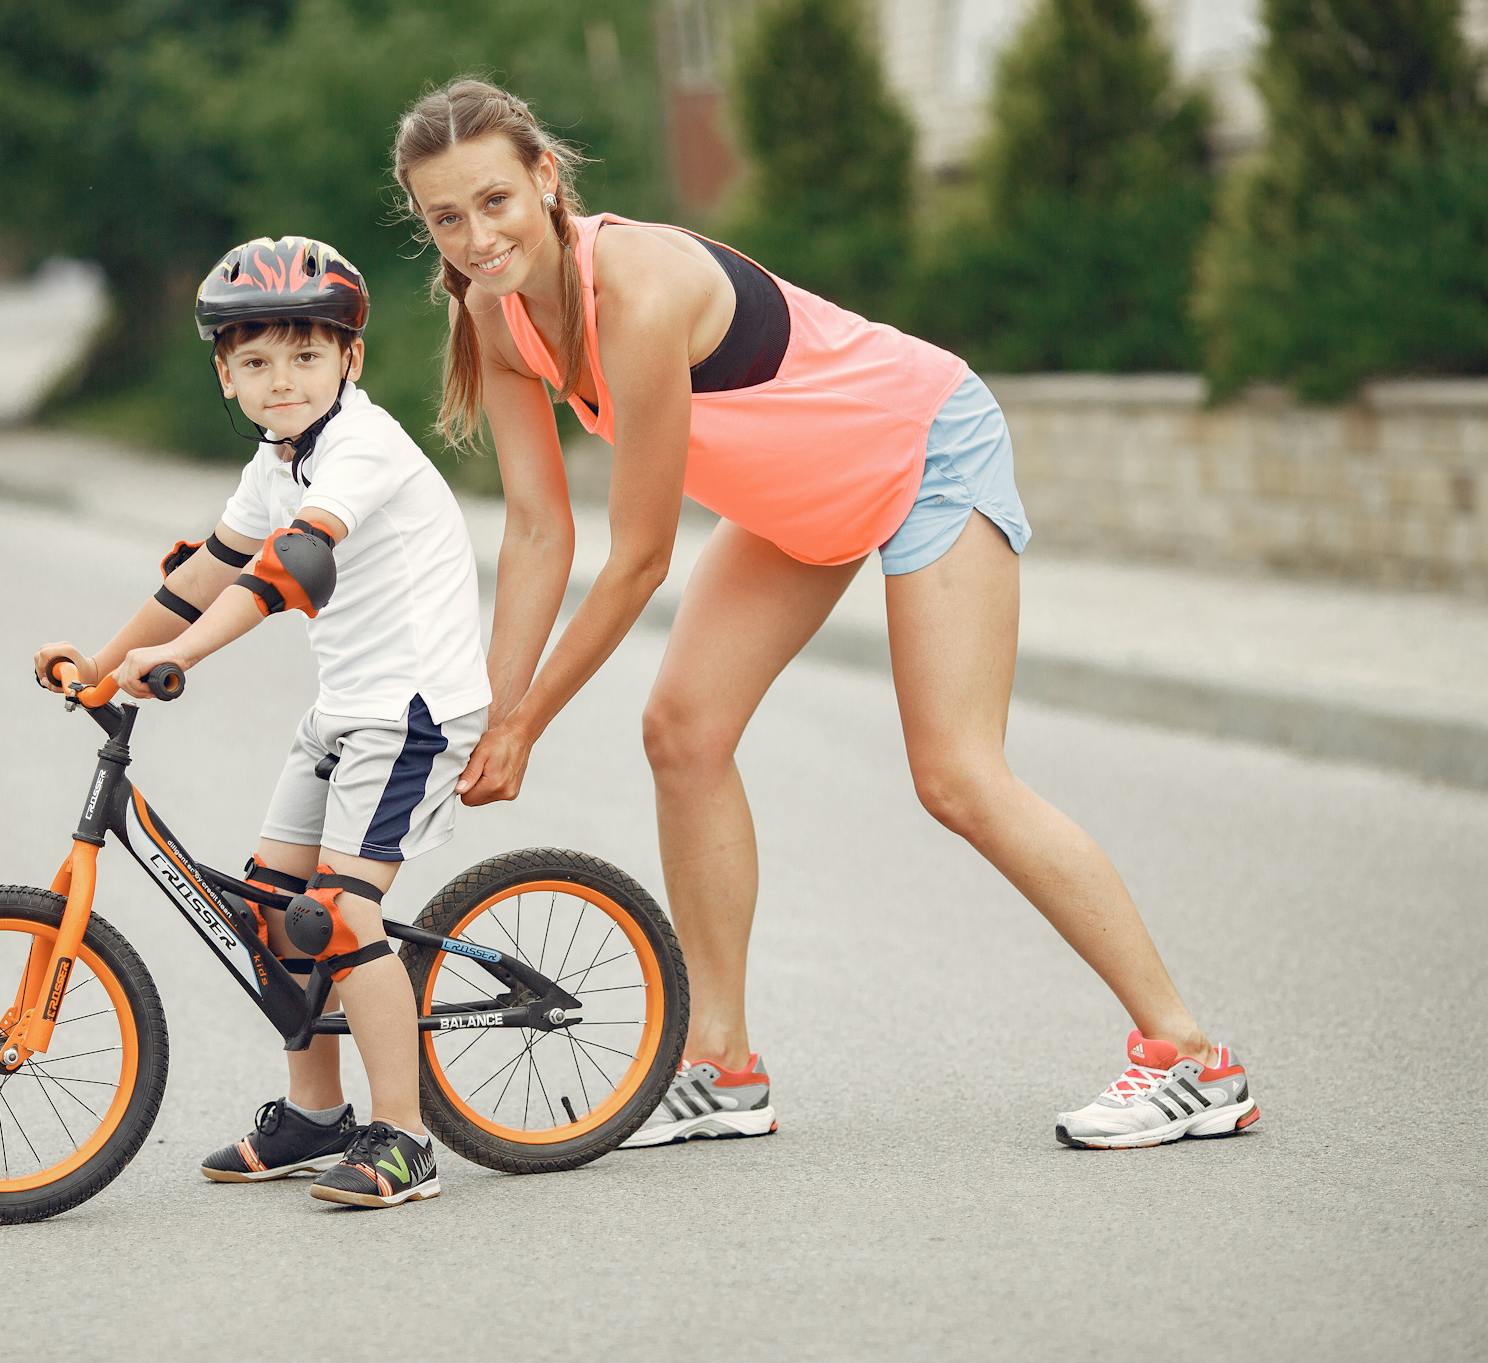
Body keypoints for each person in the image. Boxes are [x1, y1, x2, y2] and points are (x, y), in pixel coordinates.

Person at [388, 78, 1258, 1151]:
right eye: (446, 217)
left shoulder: (643, 293)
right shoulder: (492, 312)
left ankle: (1189, 1059)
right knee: (682, 734)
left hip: (922, 445)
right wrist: (493, 702)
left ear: (545, 179)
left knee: (955, 775)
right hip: (800, 502)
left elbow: (641, 558)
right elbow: (534, 531)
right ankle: (719, 1066)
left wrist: (528, 725)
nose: (477, 237)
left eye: (495, 201)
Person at [34, 236, 490, 1204]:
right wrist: (105, 663)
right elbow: (204, 571)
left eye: (305, 356)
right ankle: (315, 1118)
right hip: (345, 709)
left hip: (412, 710)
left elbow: (291, 567)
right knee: (268, 912)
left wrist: (181, 658)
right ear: (225, 375)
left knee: (339, 915)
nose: (281, 380)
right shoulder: (275, 459)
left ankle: (405, 1139)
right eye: (255, 362)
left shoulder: (361, 447)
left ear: (348, 360)